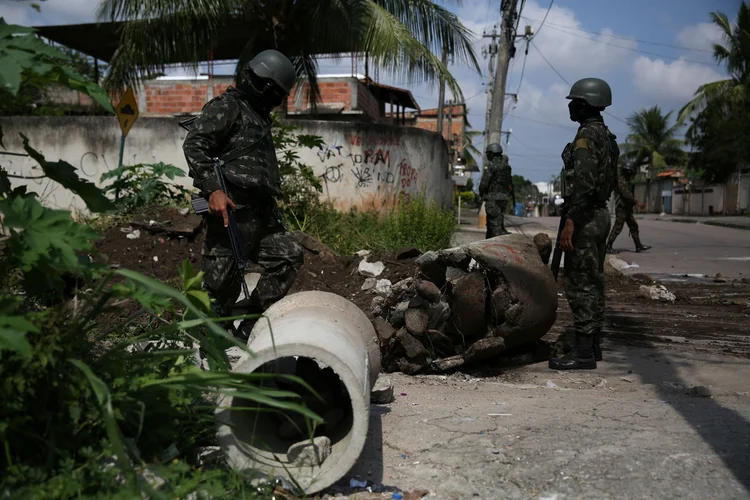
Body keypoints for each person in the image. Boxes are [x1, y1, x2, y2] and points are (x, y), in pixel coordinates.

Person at [183, 49, 304, 340]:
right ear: (263, 85)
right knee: (219, 288)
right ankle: (205, 349)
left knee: (288, 256)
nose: (276, 101)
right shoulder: (229, 107)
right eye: (275, 93)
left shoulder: (258, 117)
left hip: (262, 214)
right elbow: (195, 144)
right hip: (231, 213)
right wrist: (213, 189)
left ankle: (249, 321)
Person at [549, 77, 619, 371]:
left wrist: (570, 223)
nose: (569, 107)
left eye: (574, 102)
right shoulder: (606, 135)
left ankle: (584, 353)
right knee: (594, 281)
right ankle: (592, 345)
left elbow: (585, 185)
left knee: (580, 285)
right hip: (598, 215)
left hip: (585, 217)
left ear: (585, 105)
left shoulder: (587, 137)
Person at [606, 163, 651, 254]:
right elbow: (626, 195)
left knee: (634, 226)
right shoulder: (621, 182)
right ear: (627, 172)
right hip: (621, 209)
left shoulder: (627, 181)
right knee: (617, 228)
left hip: (627, 209)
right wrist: (637, 202)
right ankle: (608, 246)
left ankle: (638, 246)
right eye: (631, 172)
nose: (632, 174)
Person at [479, 143, 514, 238]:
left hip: (493, 199)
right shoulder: (507, 167)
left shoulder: (491, 165)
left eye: (488, 154)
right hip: (504, 199)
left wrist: (481, 194)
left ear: (492, 153)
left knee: (494, 227)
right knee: (497, 223)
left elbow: (484, 183)